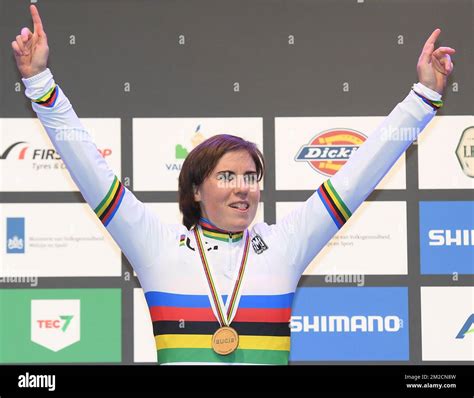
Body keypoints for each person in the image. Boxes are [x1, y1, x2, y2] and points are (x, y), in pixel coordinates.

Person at [12, 5, 455, 365]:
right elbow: (92, 172)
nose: (243, 188)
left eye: (250, 177)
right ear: (196, 191)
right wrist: (40, 83)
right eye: (227, 177)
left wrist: (423, 98)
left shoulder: (285, 244)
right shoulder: (157, 246)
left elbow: (359, 174)